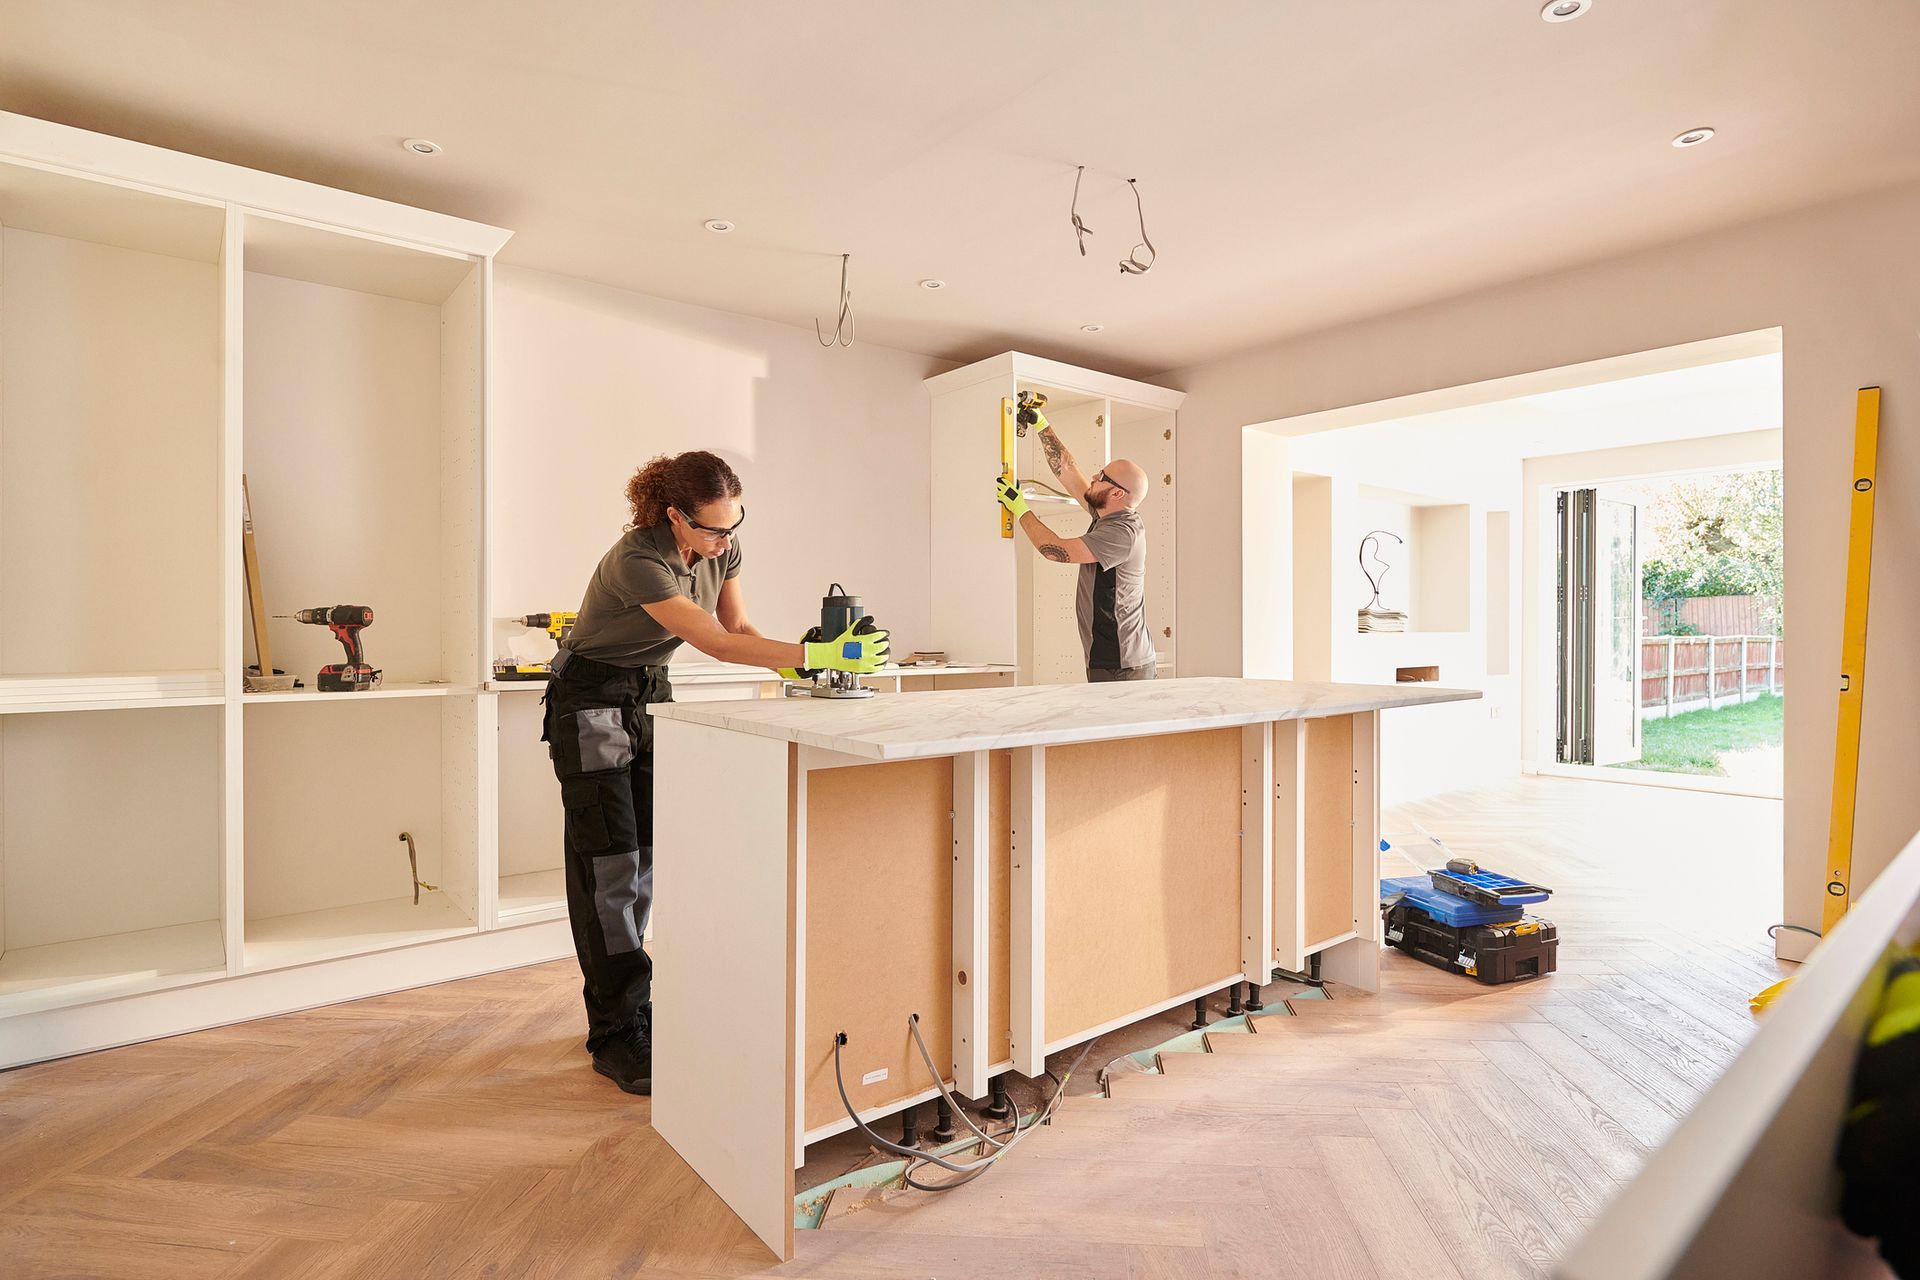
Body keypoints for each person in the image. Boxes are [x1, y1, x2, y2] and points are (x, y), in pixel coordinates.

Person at [545, 450, 888, 1095]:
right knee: (607, 865)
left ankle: (633, 1009)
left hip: (651, 694)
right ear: (674, 516)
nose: (725, 540)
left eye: (734, 525)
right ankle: (615, 1035)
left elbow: (741, 626)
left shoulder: (722, 552)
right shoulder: (636, 561)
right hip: (590, 699)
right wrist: (818, 652)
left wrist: (807, 665)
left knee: (644, 857)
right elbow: (717, 644)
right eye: (711, 528)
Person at [993, 412, 1156, 682]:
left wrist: (1020, 507)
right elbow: (1067, 471)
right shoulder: (1106, 514)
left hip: (1123, 663)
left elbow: (1052, 549)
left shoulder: (1122, 533)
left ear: (1117, 493)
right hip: (1110, 657)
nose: (1094, 475)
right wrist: (1040, 423)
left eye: (1103, 476)